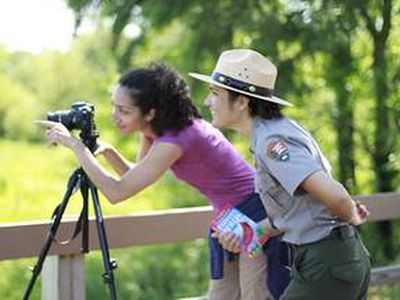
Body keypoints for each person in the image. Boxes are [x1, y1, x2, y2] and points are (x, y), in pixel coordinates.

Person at [36, 63, 290, 300]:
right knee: (223, 295)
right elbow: (132, 176)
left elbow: (116, 192)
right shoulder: (156, 134)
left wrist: (76, 146)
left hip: (255, 212)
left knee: (255, 294)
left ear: (150, 113)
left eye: (124, 111)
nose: (116, 116)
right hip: (228, 218)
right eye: (114, 107)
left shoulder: (176, 139)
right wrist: (109, 151)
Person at [189, 49, 371, 300]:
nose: (208, 102)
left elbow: (337, 197)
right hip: (327, 259)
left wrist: (352, 214)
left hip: (327, 261)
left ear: (242, 102)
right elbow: (297, 212)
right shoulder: (271, 133)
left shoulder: (272, 143)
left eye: (215, 93)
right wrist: (249, 232)